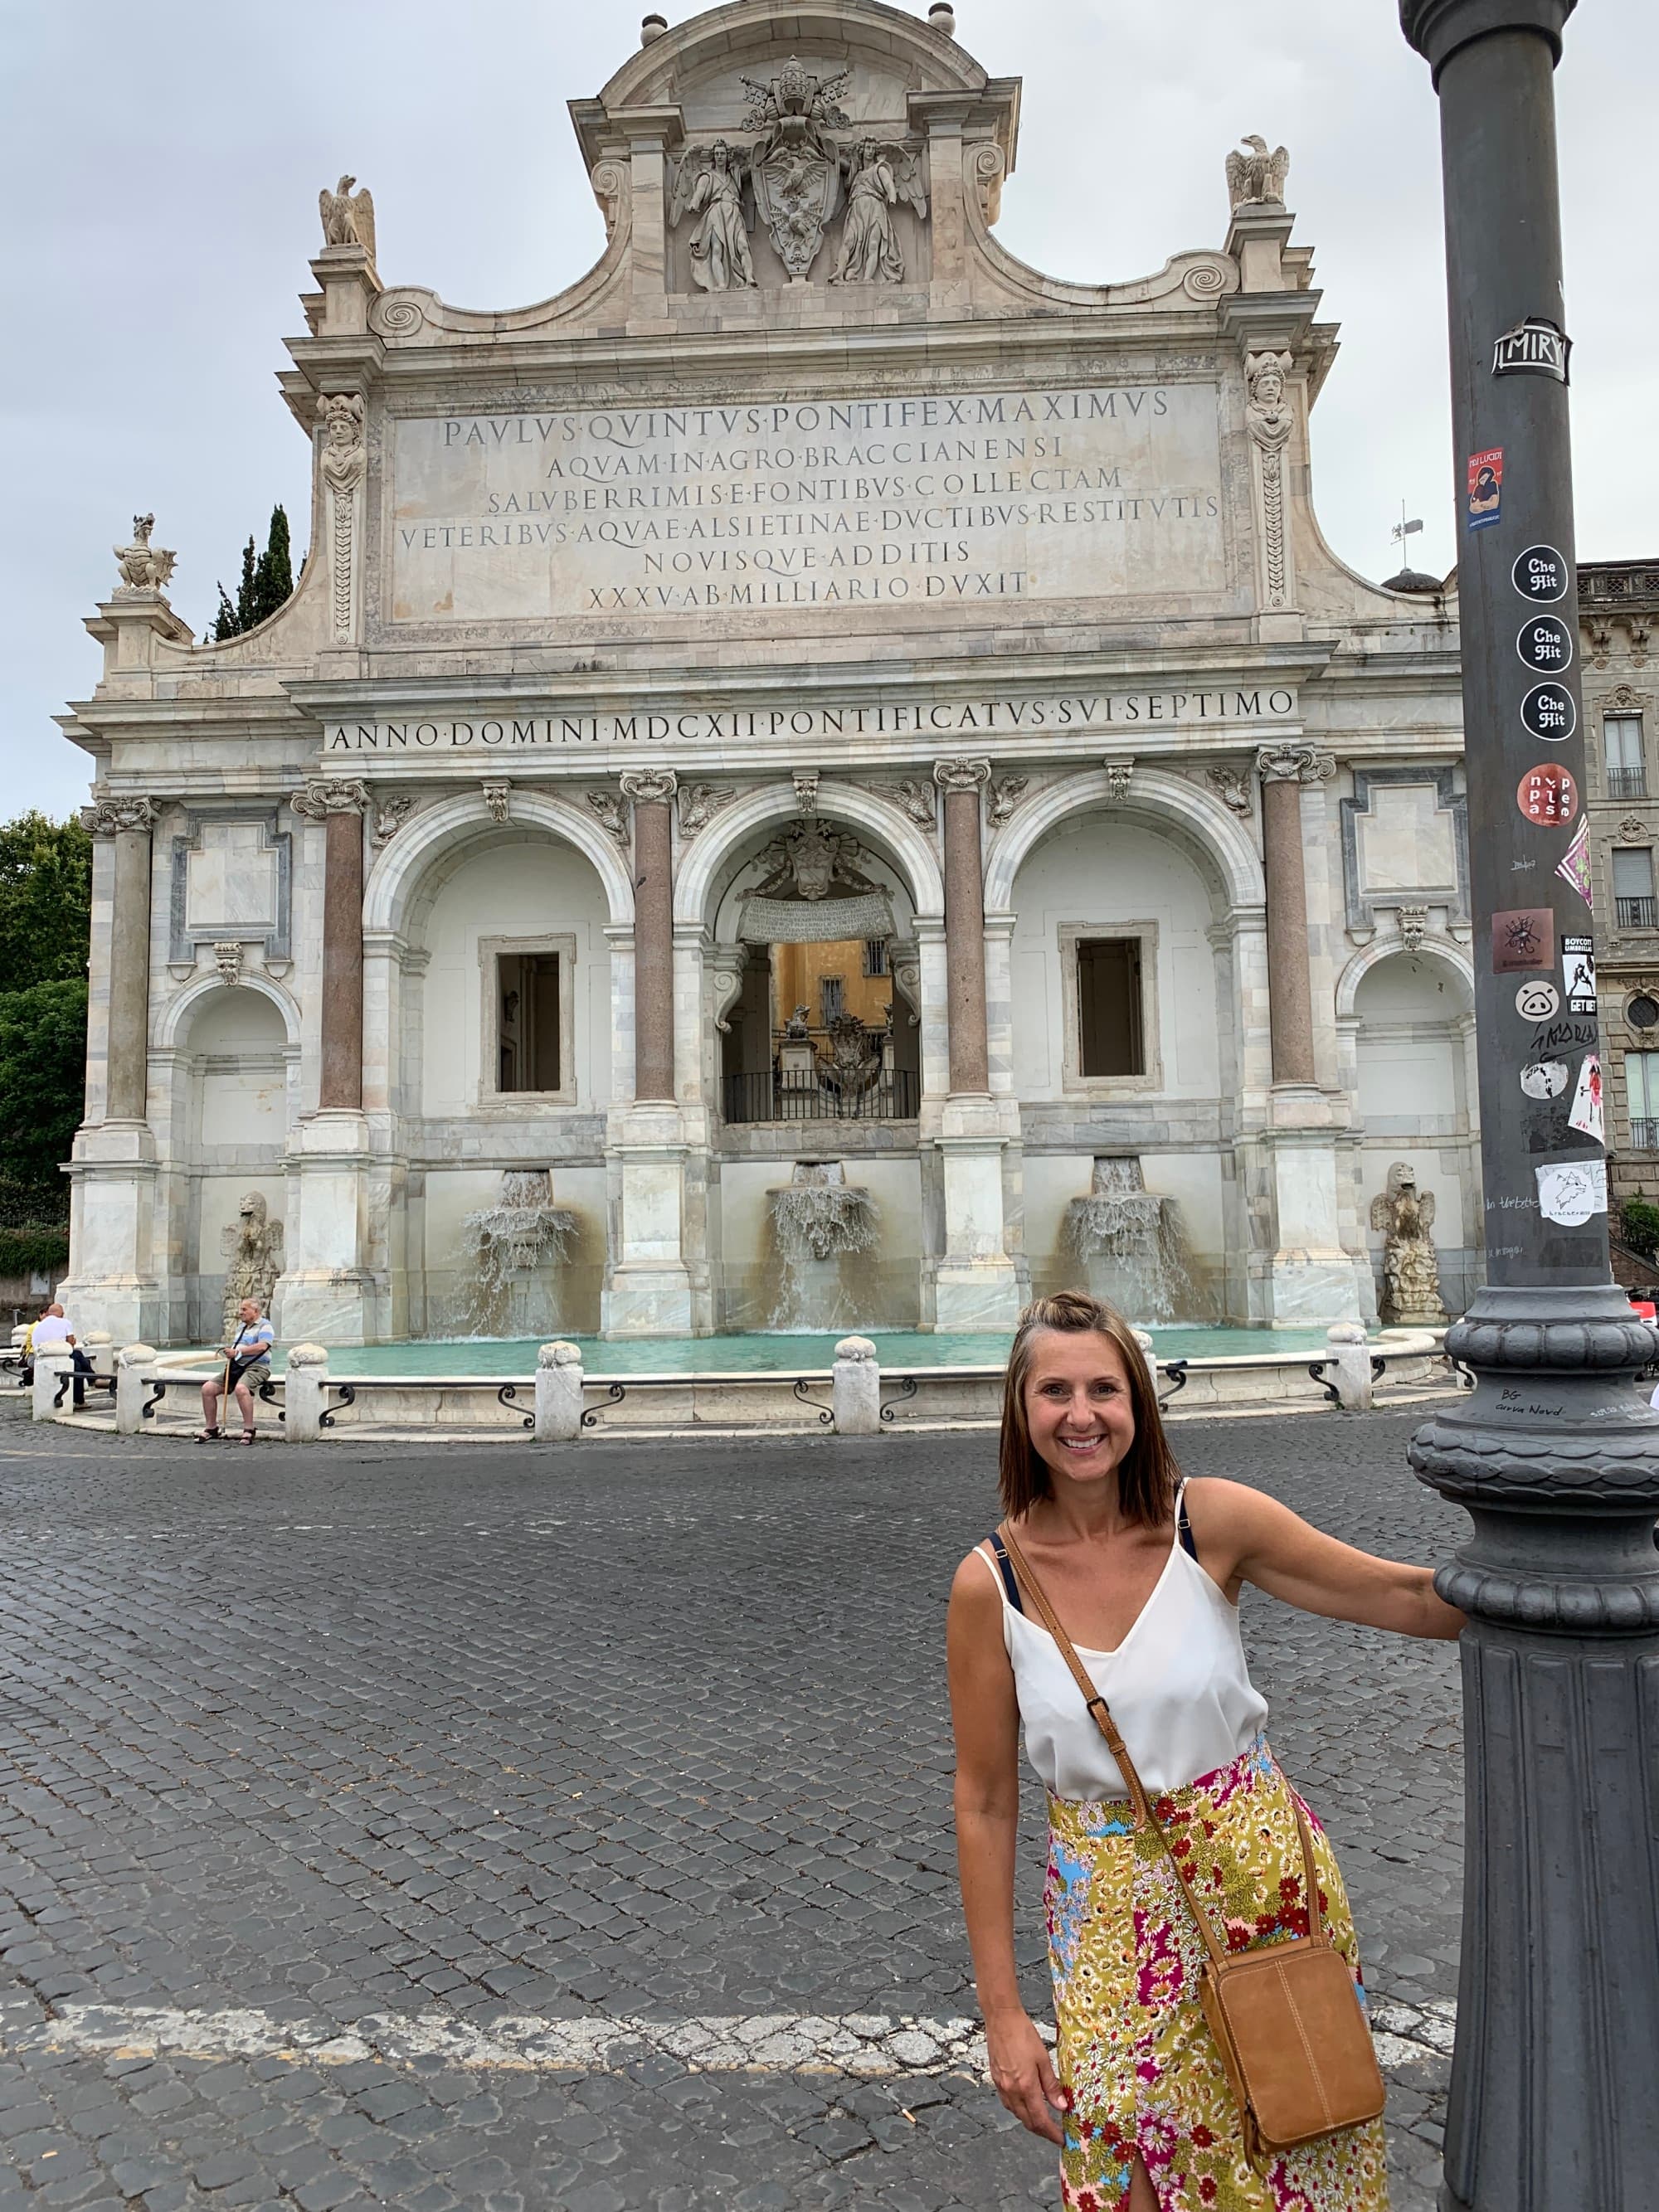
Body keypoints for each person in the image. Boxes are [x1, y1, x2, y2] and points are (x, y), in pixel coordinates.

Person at [947, 1292, 1465, 2211]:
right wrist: (1003, 2016)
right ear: (1018, 1411)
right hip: (1108, 1920)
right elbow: (984, 1802)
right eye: (1054, 1391)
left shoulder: (1211, 1522)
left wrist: (1561, 1563)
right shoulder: (989, 1585)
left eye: (1103, 1389)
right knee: (1133, 2170)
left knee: (1296, 2140)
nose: (1080, 1416)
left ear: (1138, 1403)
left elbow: (1404, 1599)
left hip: (1262, 1889)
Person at [198, 1299, 275, 1446]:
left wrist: (238, 1351)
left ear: (256, 1311)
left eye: (245, 1309)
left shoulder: (265, 1326)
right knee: (207, 1389)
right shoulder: (241, 1327)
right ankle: (211, 1428)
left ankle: (249, 1429)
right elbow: (238, 1348)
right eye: (240, 1309)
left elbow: (262, 1346)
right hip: (236, 1367)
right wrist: (231, 1353)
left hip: (257, 1367)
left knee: (241, 1389)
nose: (240, 1312)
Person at [30, 1302, 95, 1408]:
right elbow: (70, 1344)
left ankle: (92, 1379)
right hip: (59, 1355)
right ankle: (82, 1395)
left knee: (78, 1355)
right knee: (77, 1365)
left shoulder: (38, 1326)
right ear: (60, 1314)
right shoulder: (65, 1322)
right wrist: (72, 1343)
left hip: (41, 1356)